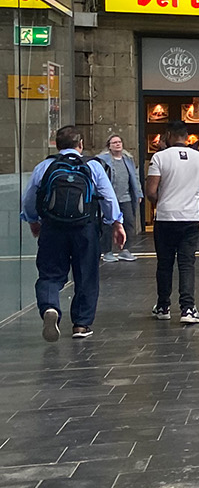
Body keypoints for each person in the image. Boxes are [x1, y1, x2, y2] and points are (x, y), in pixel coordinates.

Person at [23, 126, 124, 340]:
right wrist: (116, 223)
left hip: (52, 227)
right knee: (86, 275)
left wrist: (33, 221)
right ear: (80, 145)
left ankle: (50, 306)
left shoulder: (45, 166)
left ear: (57, 145)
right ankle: (81, 325)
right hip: (85, 228)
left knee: (50, 273)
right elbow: (108, 196)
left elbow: (30, 198)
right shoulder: (93, 166)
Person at [145, 124, 199, 324]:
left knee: (164, 263)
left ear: (168, 135)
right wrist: (193, 200)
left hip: (166, 217)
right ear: (186, 137)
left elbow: (151, 191)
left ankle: (163, 306)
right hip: (190, 217)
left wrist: (163, 201)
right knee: (186, 264)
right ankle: (188, 308)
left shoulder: (159, 157)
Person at [95, 134, 143, 262]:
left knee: (129, 222)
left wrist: (138, 193)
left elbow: (135, 177)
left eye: (119, 142)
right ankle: (107, 251)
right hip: (109, 199)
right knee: (107, 224)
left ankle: (125, 250)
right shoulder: (102, 160)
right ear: (109, 146)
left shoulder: (128, 159)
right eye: (114, 142)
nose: (117, 144)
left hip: (126, 197)